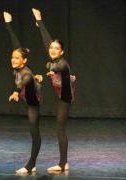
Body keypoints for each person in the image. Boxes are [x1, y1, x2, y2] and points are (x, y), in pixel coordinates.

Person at [32, 8, 76, 171]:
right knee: (59, 128)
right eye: (52, 48)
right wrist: (39, 21)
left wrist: (53, 71)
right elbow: (47, 43)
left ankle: (63, 163)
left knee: (60, 129)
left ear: (62, 51)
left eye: (56, 49)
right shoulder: (53, 59)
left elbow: (60, 67)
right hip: (61, 95)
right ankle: (64, 163)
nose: (52, 50)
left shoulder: (62, 63)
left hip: (65, 97)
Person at [3, 11, 43, 174]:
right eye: (12, 57)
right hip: (29, 101)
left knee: (34, 133)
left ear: (24, 60)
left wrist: (15, 91)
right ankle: (32, 164)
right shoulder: (18, 64)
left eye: (17, 58)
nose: (13, 60)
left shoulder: (26, 72)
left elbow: (24, 82)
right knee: (32, 132)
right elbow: (16, 45)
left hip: (33, 104)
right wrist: (8, 24)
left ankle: (31, 164)